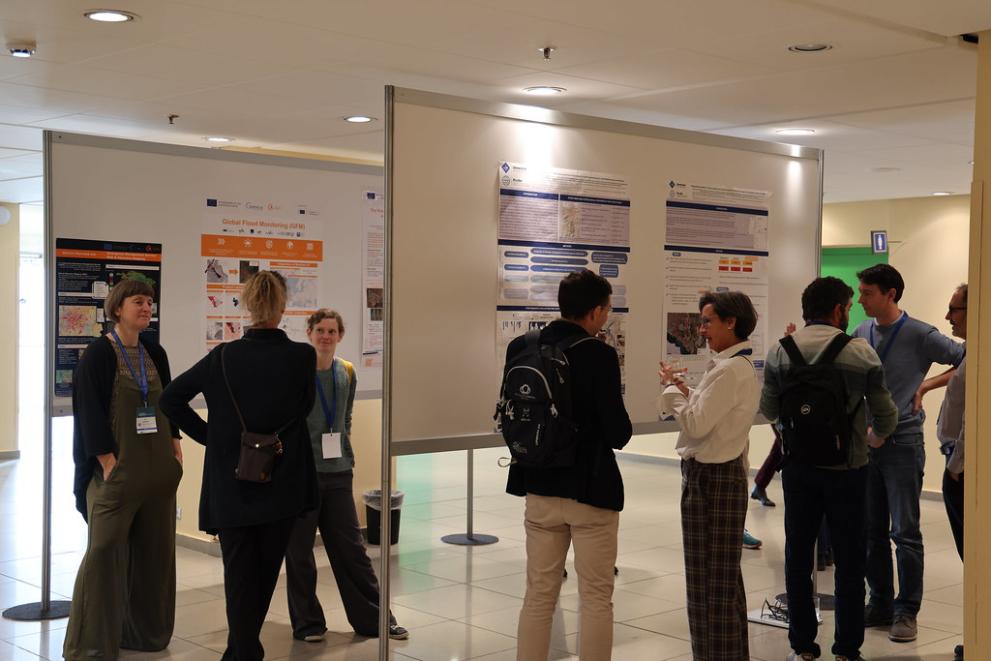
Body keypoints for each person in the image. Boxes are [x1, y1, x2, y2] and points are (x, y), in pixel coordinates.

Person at [160, 271, 318, 661]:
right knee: (265, 573)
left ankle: (242, 650)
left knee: (239, 574)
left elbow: (170, 399)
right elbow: (304, 409)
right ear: (282, 308)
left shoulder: (223, 357)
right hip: (282, 480)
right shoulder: (302, 356)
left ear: (247, 306)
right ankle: (244, 649)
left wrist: (212, 437)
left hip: (232, 482)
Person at [760, 276, 898, 661]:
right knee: (851, 561)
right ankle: (847, 650)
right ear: (838, 310)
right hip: (848, 471)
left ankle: (803, 648)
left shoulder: (780, 351)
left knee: (797, 557)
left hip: (798, 469)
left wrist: (792, 430)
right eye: (848, 306)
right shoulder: (860, 352)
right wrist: (873, 438)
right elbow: (886, 415)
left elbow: (768, 409)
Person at [507, 269, 632, 661]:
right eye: (606, 310)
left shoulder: (521, 346)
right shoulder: (599, 354)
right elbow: (618, 433)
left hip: (538, 484)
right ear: (595, 311)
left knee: (538, 595)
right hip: (590, 489)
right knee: (595, 597)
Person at [64, 277, 184, 661]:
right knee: (103, 553)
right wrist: (106, 460)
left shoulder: (155, 351)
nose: (147, 308)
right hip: (116, 474)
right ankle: (90, 647)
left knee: (154, 557)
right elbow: (88, 411)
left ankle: (146, 635)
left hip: (158, 473)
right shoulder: (99, 354)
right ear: (117, 308)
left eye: (149, 302)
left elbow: (168, 402)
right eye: (138, 302)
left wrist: (175, 444)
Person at [851, 264, 964, 642]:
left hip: (903, 444)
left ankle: (906, 610)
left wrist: (927, 385)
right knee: (872, 531)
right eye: (860, 292)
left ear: (891, 294)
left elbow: (967, 357)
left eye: (868, 293)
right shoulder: (861, 332)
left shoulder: (920, 333)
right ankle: (880, 602)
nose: (861, 299)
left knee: (905, 532)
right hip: (868, 445)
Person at [283, 309, 408, 642]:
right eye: (320, 330)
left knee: (353, 551)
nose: (326, 336)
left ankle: (376, 620)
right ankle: (308, 624)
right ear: (309, 333)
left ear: (340, 335)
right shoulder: (296, 372)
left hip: (338, 472)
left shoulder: (347, 371)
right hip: (302, 475)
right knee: (299, 553)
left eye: (332, 331)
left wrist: (343, 450)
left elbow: (345, 417)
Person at [657, 291, 760, 661]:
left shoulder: (730, 370)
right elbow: (710, 410)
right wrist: (685, 389)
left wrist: (672, 393)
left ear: (731, 322)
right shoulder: (732, 365)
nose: (701, 330)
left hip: (712, 480)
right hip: (716, 478)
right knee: (721, 583)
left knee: (709, 587)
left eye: (707, 322)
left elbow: (697, 424)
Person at [936, 284, 967, 661]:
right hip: (958, 463)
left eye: (954, 309)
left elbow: (973, 418)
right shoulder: (972, 352)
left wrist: (956, 465)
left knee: (973, 556)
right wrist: (929, 383)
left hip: (962, 469)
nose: (948, 317)